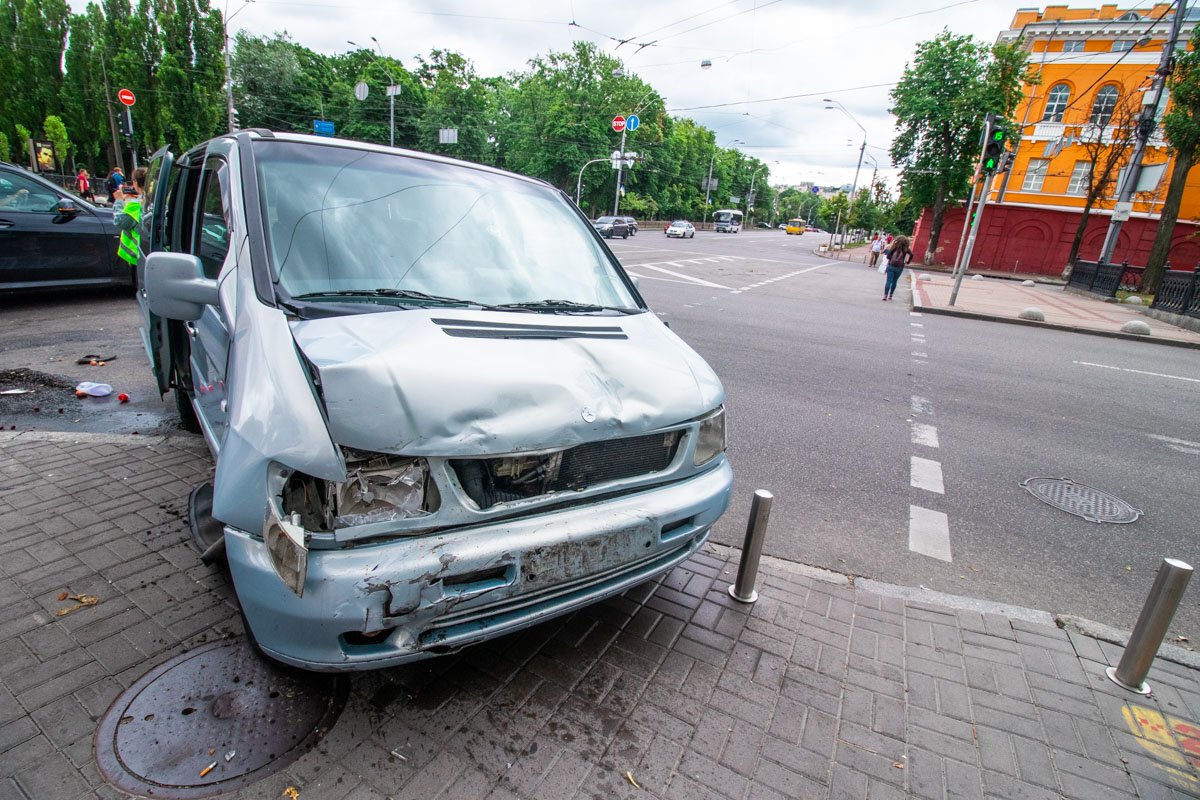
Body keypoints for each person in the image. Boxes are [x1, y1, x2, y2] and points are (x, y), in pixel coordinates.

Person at [113, 166, 146, 268]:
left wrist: (119, 201)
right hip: (147, 250)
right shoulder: (152, 198)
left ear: (135, 182)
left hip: (138, 254)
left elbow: (119, 221)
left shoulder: (134, 206)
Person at [881, 234, 913, 301]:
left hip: (891, 266)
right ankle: (891, 295)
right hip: (899, 267)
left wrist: (891, 259)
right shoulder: (906, 249)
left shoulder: (894, 247)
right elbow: (912, 255)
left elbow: (888, 256)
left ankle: (885, 295)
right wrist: (907, 262)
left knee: (888, 281)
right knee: (894, 281)